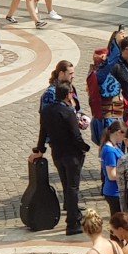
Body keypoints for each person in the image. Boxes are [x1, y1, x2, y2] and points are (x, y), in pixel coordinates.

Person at [31, 81, 91, 234]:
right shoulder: (68, 112)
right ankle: (72, 222)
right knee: (73, 188)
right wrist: (85, 148)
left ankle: (74, 215)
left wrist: (40, 149)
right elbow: (76, 135)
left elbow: (43, 133)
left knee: (66, 186)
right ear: (68, 95)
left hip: (57, 153)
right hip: (72, 155)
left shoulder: (47, 111)